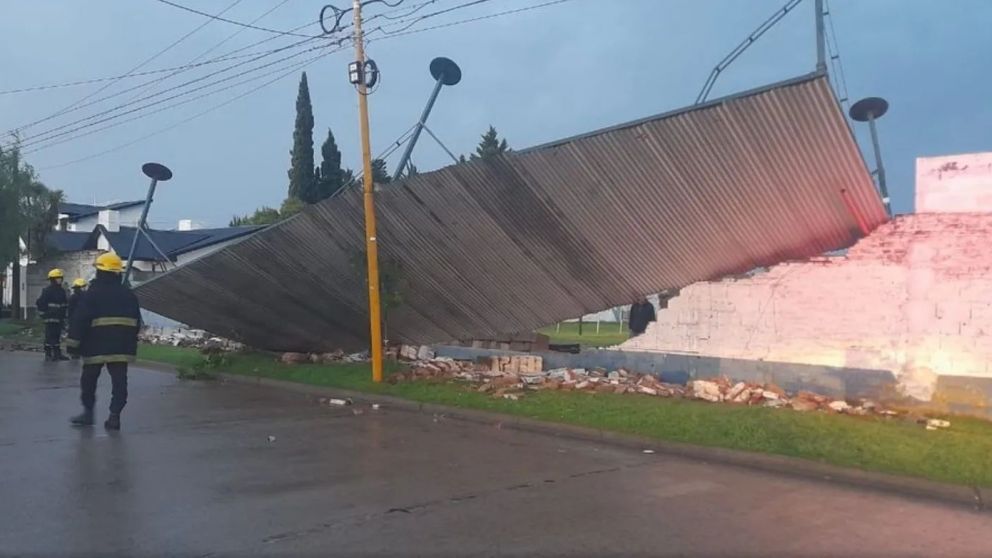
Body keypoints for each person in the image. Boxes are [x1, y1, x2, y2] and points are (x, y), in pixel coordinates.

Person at [66, 253, 141, 431]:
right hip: (121, 348)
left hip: (94, 348)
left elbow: (79, 321)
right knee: (120, 383)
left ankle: (88, 413)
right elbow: (136, 323)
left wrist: (73, 344)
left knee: (89, 380)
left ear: (99, 271)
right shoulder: (129, 295)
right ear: (117, 273)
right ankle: (114, 416)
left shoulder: (91, 295)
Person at [36, 268, 69, 361]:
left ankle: (57, 354)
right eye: (58, 278)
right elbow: (40, 303)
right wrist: (44, 314)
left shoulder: (62, 291)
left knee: (57, 336)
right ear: (53, 279)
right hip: (50, 318)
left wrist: (64, 316)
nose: (60, 280)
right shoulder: (47, 290)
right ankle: (48, 353)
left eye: (60, 278)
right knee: (50, 336)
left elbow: (64, 304)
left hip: (59, 318)